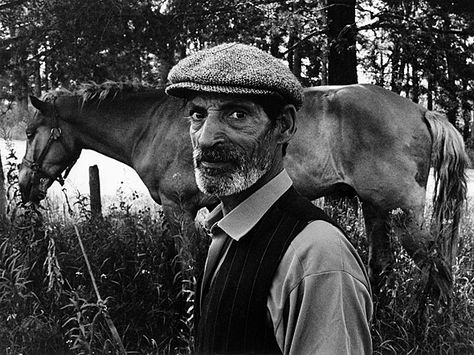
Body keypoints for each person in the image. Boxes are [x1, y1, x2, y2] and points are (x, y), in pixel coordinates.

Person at [165, 43, 373, 355]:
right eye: (198, 114)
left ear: (284, 126)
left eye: (237, 114)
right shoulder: (224, 230)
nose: (206, 138)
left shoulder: (317, 257)